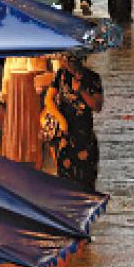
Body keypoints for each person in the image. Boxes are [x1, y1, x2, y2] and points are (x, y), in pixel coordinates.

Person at [42, 55, 103, 191]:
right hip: (66, 135)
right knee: (65, 181)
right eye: (66, 60)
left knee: (86, 182)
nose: (67, 64)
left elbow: (97, 106)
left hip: (85, 136)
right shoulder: (61, 75)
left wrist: (81, 91)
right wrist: (61, 120)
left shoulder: (93, 78)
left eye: (71, 61)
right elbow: (48, 100)